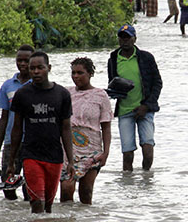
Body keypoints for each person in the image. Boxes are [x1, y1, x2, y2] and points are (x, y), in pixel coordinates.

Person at [8, 51, 75, 214]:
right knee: (37, 201)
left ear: (49, 68)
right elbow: (17, 128)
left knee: (49, 205)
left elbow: (66, 128)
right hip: (31, 155)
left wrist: (71, 160)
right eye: (32, 68)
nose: (36, 72)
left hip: (54, 156)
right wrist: (11, 161)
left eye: (40, 68)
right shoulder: (22, 94)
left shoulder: (62, 94)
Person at [108, 24, 163, 171]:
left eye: (128, 37)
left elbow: (157, 83)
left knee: (148, 151)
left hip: (145, 109)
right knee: (127, 155)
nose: (125, 40)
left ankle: (146, 179)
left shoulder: (146, 57)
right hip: (124, 110)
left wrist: (146, 105)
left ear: (135, 39)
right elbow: (112, 83)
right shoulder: (113, 58)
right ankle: (128, 182)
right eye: (122, 37)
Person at [60, 57, 112, 204]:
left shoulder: (100, 95)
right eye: (73, 73)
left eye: (80, 73)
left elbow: (106, 127)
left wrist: (106, 153)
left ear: (90, 74)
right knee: (67, 188)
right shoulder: (66, 93)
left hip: (92, 149)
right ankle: (66, 217)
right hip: (68, 149)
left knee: (86, 191)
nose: (76, 76)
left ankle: (87, 218)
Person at [0, 45, 33, 201]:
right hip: (11, 141)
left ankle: (28, 212)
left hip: (32, 141)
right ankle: (12, 211)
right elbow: (3, 118)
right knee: (7, 182)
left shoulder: (37, 84)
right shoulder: (8, 85)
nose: (22, 64)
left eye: (26, 60)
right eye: (19, 60)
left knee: (30, 187)